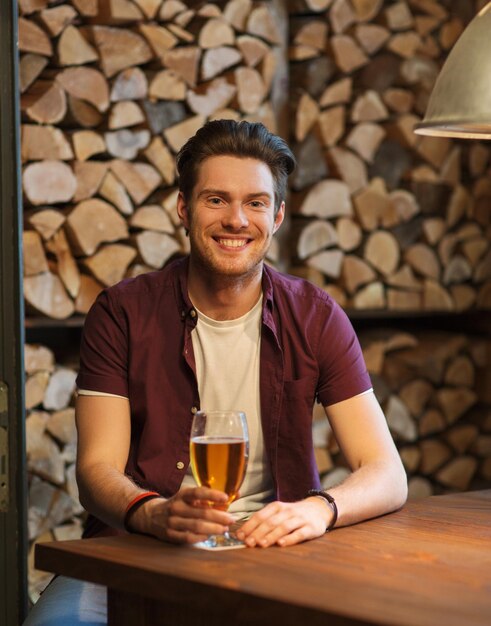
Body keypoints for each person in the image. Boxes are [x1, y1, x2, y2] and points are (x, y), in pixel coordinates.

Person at [24, 120, 407, 625]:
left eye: (255, 202)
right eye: (216, 200)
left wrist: (318, 509)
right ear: (184, 208)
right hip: (140, 547)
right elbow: (96, 474)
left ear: (278, 216)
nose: (236, 220)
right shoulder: (123, 312)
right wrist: (152, 513)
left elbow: (387, 474)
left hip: (272, 551)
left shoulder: (315, 315)